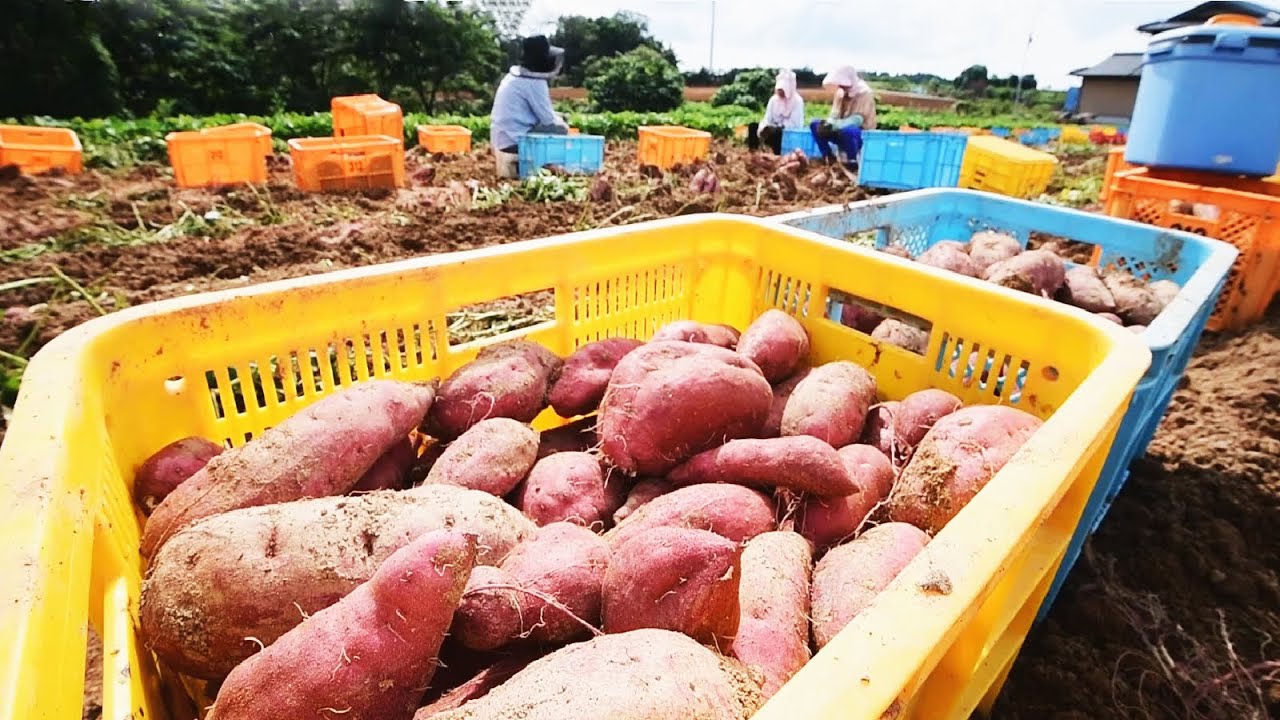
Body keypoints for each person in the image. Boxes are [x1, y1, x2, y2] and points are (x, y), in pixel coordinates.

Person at [490, 35, 570, 179]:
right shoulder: (534, 83)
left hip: (502, 139)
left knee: (559, 120)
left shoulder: (514, 77)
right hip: (515, 143)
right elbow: (548, 120)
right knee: (561, 128)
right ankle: (548, 166)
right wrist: (564, 123)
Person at [810, 66, 878, 168]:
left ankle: (852, 161)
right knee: (815, 124)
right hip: (840, 129)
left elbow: (857, 120)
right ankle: (828, 156)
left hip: (860, 133)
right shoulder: (841, 93)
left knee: (849, 131)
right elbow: (834, 113)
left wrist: (836, 125)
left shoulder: (864, 93)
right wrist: (829, 123)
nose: (840, 87)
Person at [747, 69, 805, 154]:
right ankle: (753, 153)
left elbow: (795, 123)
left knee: (778, 133)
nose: (780, 92)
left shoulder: (797, 101)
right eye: (779, 89)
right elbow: (767, 117)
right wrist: (764, 127)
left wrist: (777, 127)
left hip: (788, 132)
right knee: (753, 126)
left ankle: (778, 155)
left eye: (783, 90)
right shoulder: (773, 100)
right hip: (773, 130)